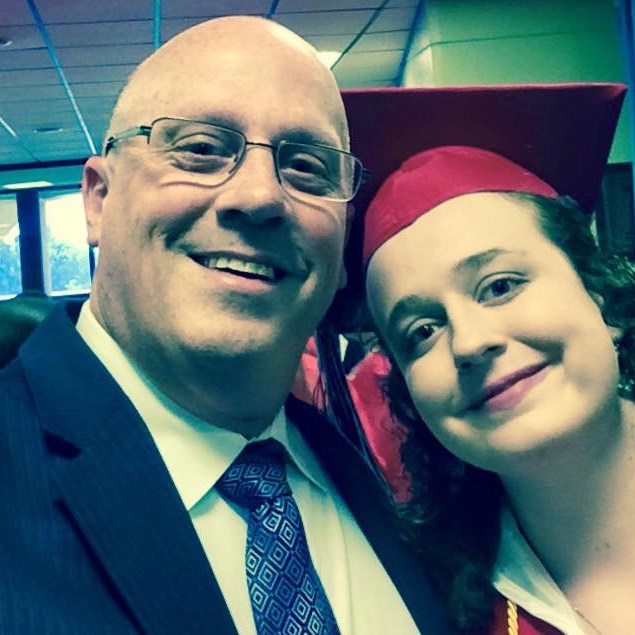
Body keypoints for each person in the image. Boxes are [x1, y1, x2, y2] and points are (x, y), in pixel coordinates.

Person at [0, 16, 449, 634]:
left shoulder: (375, 483)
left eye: (306, 166)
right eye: (201, 150)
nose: (260, 197)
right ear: (99, 200)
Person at [328, 82, 632, 633]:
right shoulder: (433, 610)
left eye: (500, 286)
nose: (469, 343)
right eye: (422, 331)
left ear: (599, 295)